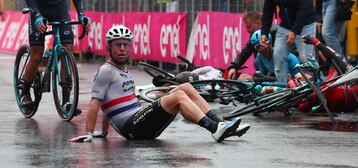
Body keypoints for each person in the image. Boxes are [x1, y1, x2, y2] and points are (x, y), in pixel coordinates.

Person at [68, 25, 250, 143]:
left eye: (126, 44)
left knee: (185, 87)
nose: (122, 48)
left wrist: (105, 132)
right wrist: (90, 133)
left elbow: (109, 105)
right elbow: (95, 103)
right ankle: (214, 129)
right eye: (117, 45)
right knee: (178, 96)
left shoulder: (122, 70)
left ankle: (222, 125)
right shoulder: (106, 71)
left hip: (138, 120)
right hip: (133, 128)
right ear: (109, 47)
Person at [19, 0, 90, 108]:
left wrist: (81, 14)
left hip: (59, 7)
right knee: (36, 54)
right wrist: (36, 16)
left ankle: (66, 98)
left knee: (66, 49)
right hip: (38, 8)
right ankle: (25, 90)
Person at [260, 0, 318, 83]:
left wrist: (295, 31)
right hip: (285, 25)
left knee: (306, 59)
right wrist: (264, 32)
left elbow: (305, 8)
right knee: (278, 55)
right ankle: (283, 88)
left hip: (305, 24)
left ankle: (318, 85)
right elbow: (268, 10)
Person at [227, 11, 277, 80]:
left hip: (279, 75)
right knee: (243, 77)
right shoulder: (254, 37)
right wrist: (234, 67)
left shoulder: (275, 33)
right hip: (264, 75)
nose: (247, 30)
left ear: (259, 24)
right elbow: (245, 53)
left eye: (249, 27)